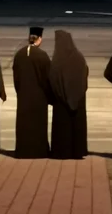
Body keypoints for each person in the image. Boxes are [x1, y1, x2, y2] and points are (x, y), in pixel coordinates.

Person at [12, 26, 53, 158]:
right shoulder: (42, 56)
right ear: (39, 39)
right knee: (38, 125)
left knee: (24, 125)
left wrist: (19, 91)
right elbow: (48, 77)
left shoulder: (19, 54)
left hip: (23, 95)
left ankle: (23, 151)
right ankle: (39, 151)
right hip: (39, 97)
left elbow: (16, 77)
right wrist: (49, 96)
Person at [49, 30, 88, 159]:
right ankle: (78, 151)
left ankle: (61, 151)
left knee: (62, 128)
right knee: (77, 126)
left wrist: (57, 94)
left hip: (60, 101)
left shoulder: (57, 59)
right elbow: (84, 77)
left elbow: (52, 79)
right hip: (78, 99)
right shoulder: (79, 57)